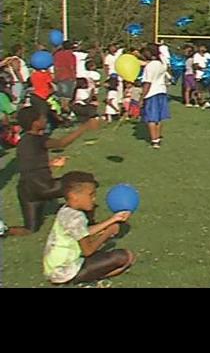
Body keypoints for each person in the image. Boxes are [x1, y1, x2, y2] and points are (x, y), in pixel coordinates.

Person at [7, 101, 101, 237]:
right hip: (43, 186)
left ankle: (4, 230)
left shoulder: (23, 141)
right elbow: (61, 143)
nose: (45, 120)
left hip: (26, 191)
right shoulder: (37, 139)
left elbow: (29, 164)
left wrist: (50, 164)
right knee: (84, 180)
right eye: (42, 118)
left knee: (30, 229)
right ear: (35, 123)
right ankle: (90, 223)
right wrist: (85, 127)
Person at [40, 171, 135, 285]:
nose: (94, 199)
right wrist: (107, 233)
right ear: (74, 197)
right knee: (126, 257)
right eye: (91, 195)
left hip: (53, 269)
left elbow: (83, 232)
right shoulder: (76, 218)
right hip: (65, 273)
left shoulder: (66, 210)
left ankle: (85, 278)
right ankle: (85, 282)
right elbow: (88, 251)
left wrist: (113, 219)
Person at [140, 46, 170, 149]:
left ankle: (154, 141)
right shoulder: (162, 63)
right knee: (159, 118)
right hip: (162, 91)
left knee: (151, 119)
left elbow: (147, 83)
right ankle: (157, 138)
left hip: (152, 93)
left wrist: (142, 98)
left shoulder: (150, 66)